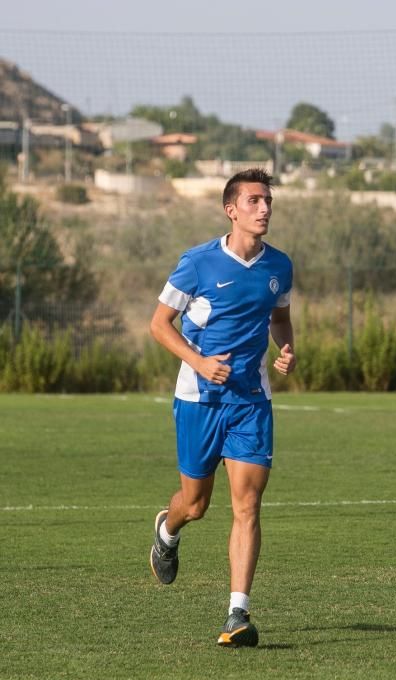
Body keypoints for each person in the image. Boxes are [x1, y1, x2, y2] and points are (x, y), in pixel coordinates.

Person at [148, 168, 295, 648]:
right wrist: (198, 361)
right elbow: (159, 325)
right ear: (231, 210)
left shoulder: (280, 266)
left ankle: (238, 613)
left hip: (250, 402)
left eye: (268, 200)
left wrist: (285, 348)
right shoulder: (196, 263)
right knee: (195, 504)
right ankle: (167, 531)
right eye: (254, 201)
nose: (264, 208)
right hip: (199, 400)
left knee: (248, 505)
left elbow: (280, 316)